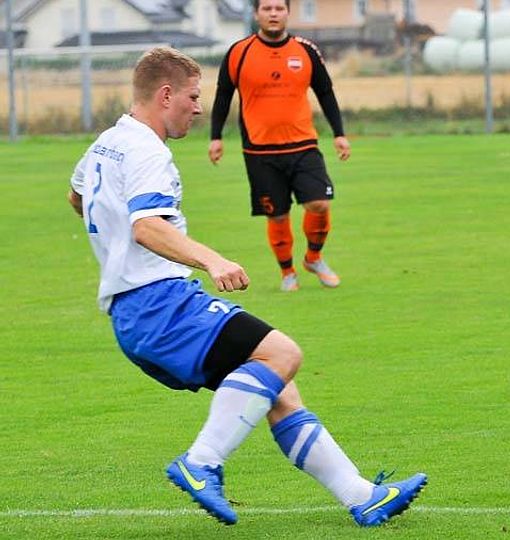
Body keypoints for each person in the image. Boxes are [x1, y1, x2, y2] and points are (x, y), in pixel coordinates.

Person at [67, 46, 426, 526]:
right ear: (166, 94)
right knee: (282, 354)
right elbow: (146, 227)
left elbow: (78, 197)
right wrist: (211, 260)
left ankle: (362, 496)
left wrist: (113, 243)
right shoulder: (147, 150)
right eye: (193, 97)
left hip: (135, 309)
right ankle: (201, 462)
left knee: (279, 389)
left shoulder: (107, 143)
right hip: (158, 303)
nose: (199, 108)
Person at [209, 0, 349, 292]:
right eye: (267, 8)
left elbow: (325, 92)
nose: (273, 13)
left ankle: (313, 258)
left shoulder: (306, 50)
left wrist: (339, 133)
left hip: (303, 145)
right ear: (256, 13)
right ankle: (288, 273)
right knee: (277, 214)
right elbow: (223, 95)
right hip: (260, 150)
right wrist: (216, 136)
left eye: (279, 8)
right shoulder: (239, 52)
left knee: (319, 203)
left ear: (287, 12)